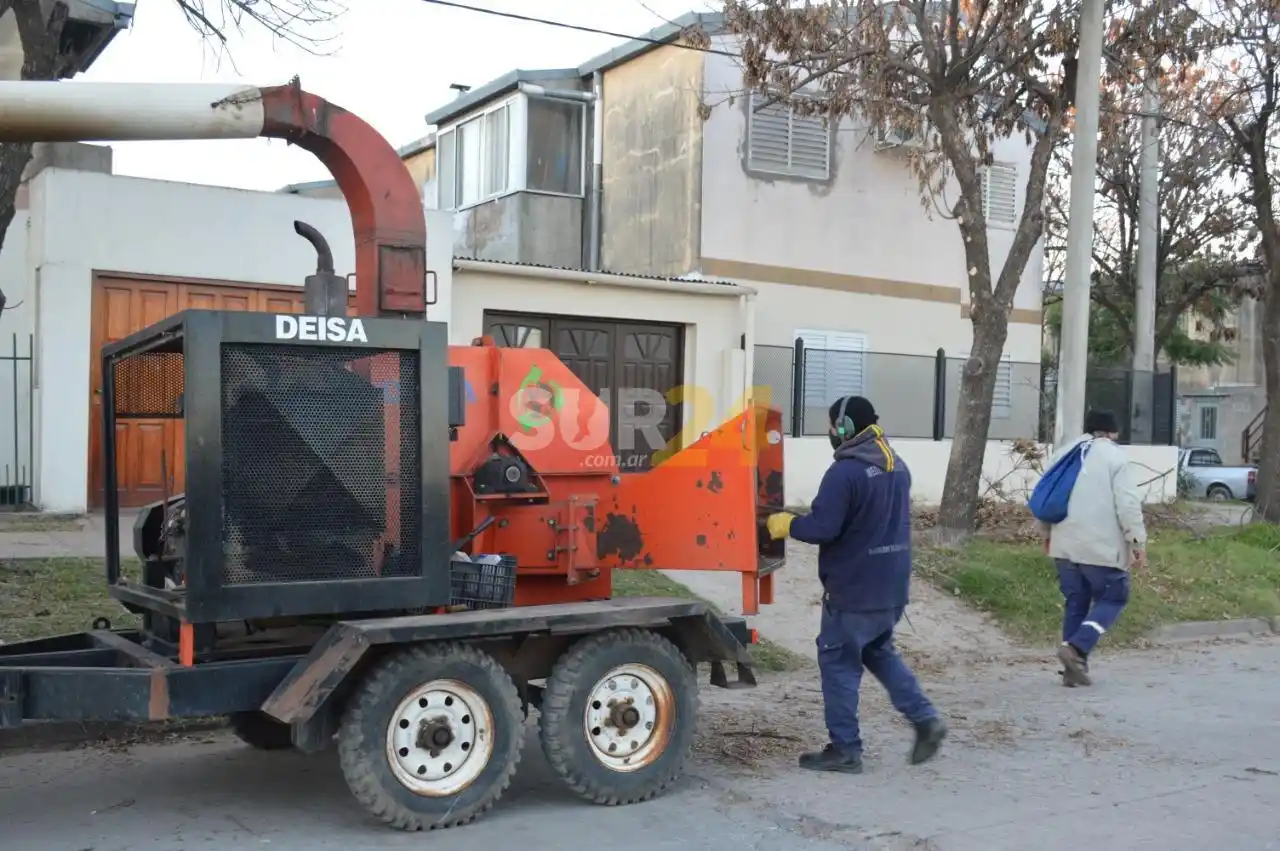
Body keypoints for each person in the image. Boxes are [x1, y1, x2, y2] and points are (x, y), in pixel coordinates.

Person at [765, 395, 946, 774]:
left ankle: (845, 749)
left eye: (833, 425)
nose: (831, 432)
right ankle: (926, 719)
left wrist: (787, 525)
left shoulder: (844, 472)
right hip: (890, 589)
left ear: (845, 428)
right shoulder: (897, 466)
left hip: (853, 589)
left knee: (838, 664)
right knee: (879, 651)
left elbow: (824, 528)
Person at [1038, 408, 1147, 688]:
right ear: (1113, 433)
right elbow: (1128, 505)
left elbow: (1048, 494)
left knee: (1076, 602)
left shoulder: (1065, 454)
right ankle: (1076, 648)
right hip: (1100, 548)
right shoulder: (1116, 458)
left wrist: (1047, 533)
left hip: (1063, 545)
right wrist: (1137, 541)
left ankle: (1074, 670)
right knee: (1114, 597)